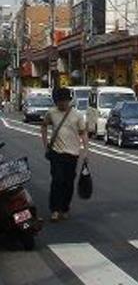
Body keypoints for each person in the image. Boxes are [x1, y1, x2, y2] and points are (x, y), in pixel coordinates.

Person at [41, 87, 88, 222]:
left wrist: (86, 151)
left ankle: (65, 208)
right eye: (59, 101)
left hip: (72, 154)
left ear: (69, 101)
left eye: (64, 101)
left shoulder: (77, 115)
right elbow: (44, 126)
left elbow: (83, 133)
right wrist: (45, 145)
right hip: (56, 153)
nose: (61, 103)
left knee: (68, 182)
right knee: (57, 180)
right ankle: (55, 210)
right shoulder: (51, 112)